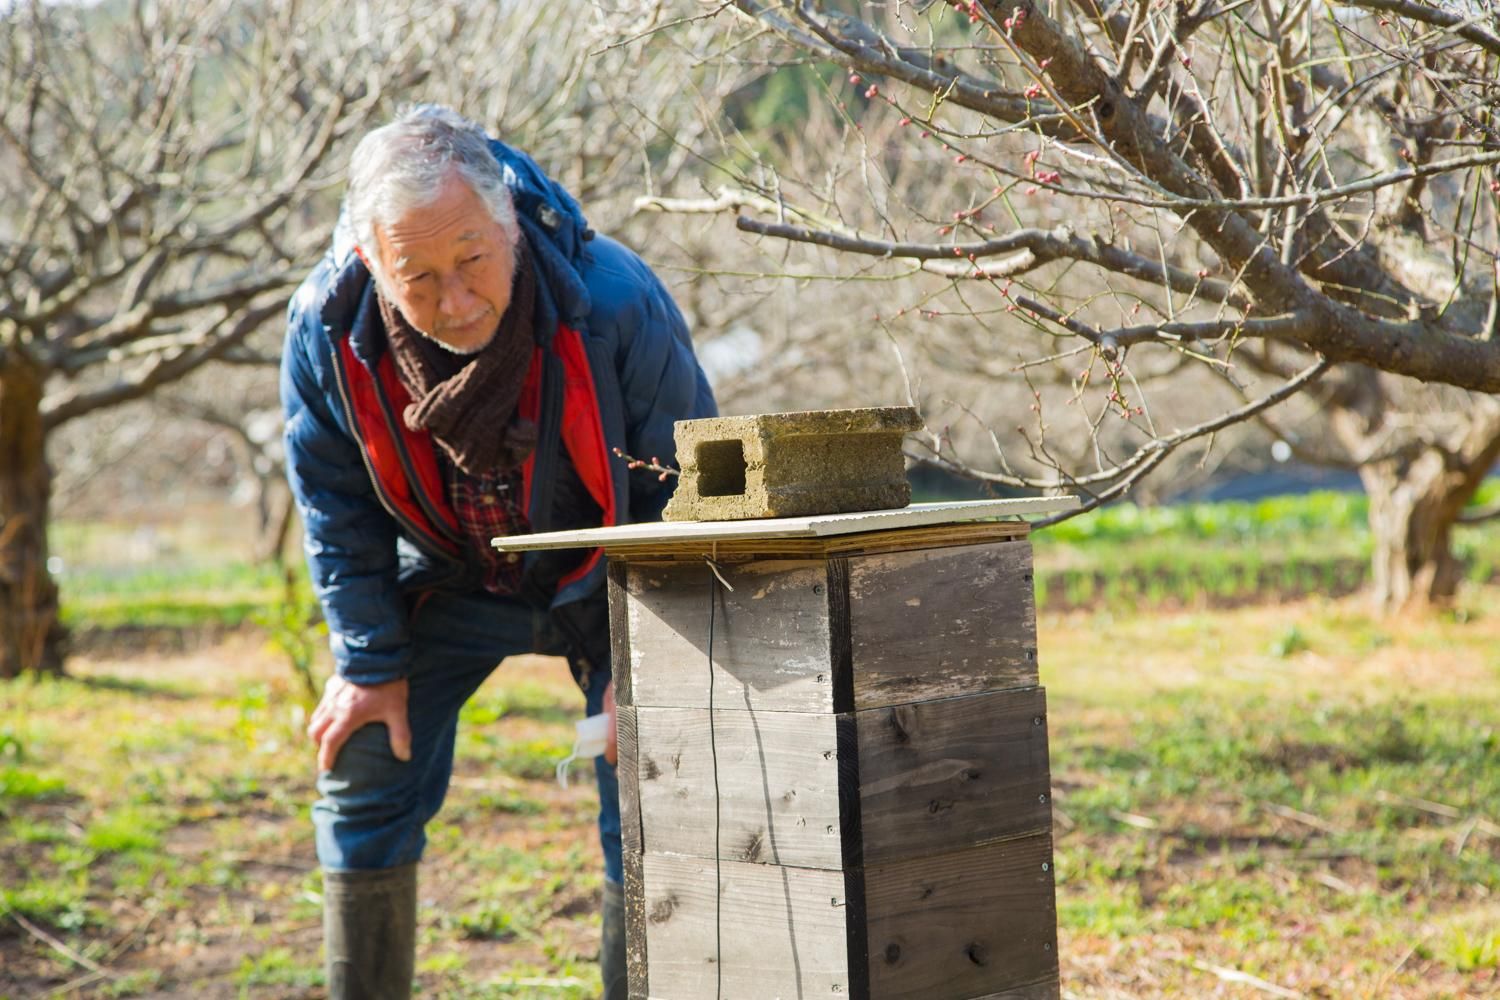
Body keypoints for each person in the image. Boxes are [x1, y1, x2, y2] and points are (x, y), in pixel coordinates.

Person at [280, 104, 715, 1000]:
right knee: (363, 755)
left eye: (471, 259)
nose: (454, 300)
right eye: (418, 277)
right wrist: (368, 664)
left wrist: (654, 668)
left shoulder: (612, 300)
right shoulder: (327, 330)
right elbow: (337, 505)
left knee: (648, 777)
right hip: (454, 581)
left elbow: (684, 490)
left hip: (611, 585)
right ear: (371, 261)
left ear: (508, 225)